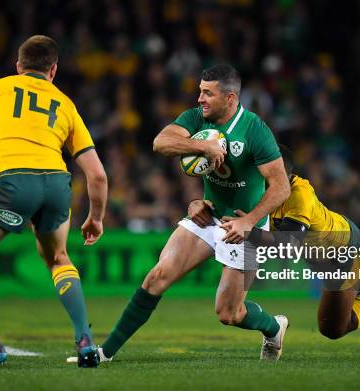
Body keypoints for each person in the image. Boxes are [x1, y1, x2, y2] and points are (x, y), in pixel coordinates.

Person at [98, 64, 292, 362]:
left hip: (245, 226)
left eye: (207, 93)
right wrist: (203, 147)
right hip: (208, 215)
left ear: (230, 98)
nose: (199, 98)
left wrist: (248, 221)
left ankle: (273, 327)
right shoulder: (196, 119)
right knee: (157, 276)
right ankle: (104, 353)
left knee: (229, 313)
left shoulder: (255, 129)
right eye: (199, 91)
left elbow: (281, 188)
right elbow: (160, 142)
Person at [0, 35, 108, 368]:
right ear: (53, 70)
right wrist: (97, 217)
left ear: (18, 66)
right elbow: (98, 175)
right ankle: (84, 339)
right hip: (58, 185)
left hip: (14, 182)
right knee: (59, 258)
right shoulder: (66, 104)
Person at [195, 143, 360, 340]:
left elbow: (287, 247)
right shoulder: (258, 190)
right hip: (327, 248)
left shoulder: (297, 196)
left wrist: (250, 231)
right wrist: (198, 203)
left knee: (334, 327)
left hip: (341, 250)